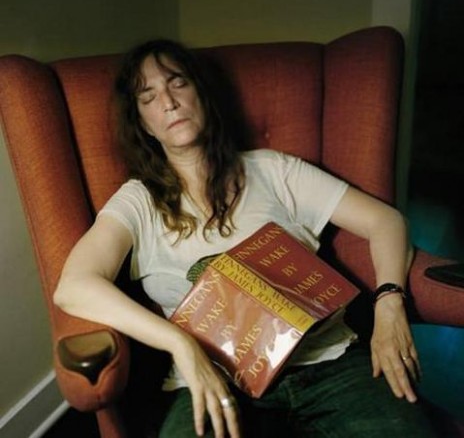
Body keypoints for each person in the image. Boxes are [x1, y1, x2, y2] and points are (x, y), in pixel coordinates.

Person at [54, 39, 436, 438]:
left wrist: (389, 305)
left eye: (178, 83)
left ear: (201, 93)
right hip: (215, 378)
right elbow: (74, 286)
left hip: (329, 362)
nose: (168, 102)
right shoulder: (138, 201)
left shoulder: (272, 170)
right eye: (148, 96)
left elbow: (386, 221)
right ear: (143, 124)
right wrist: (181, 345)